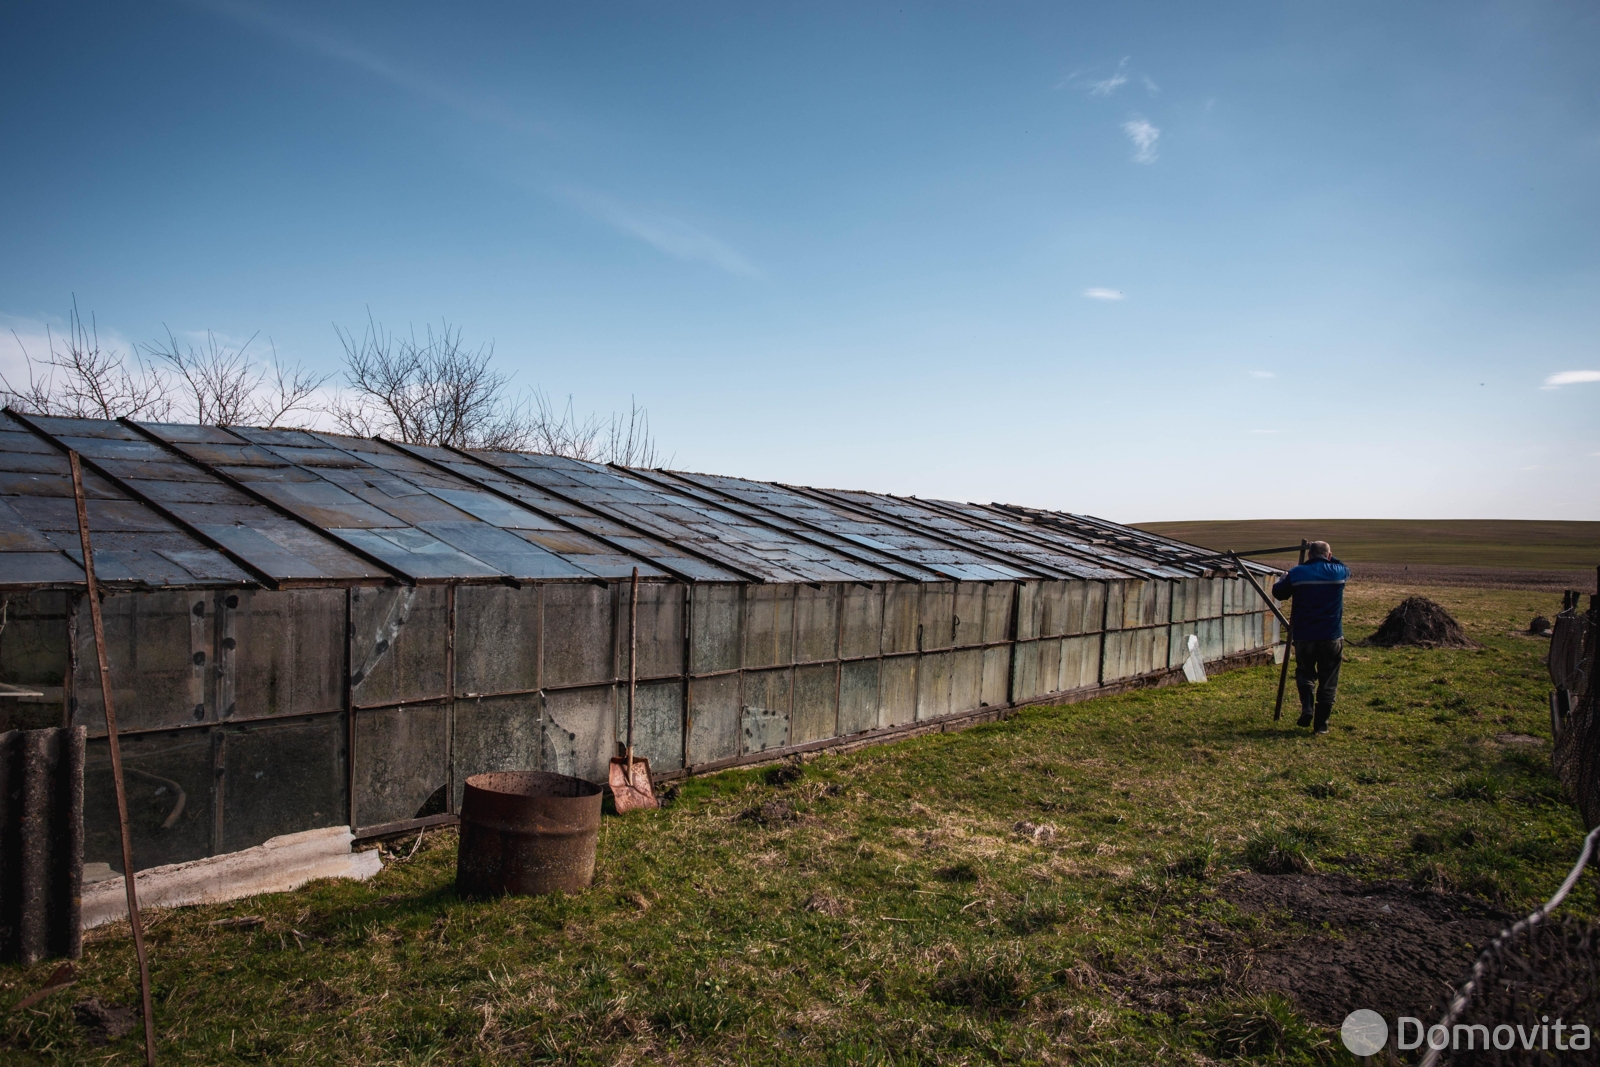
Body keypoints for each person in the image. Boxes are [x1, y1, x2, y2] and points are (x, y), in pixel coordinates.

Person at [1271, 541, 1350, 734]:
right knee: (1328, 680)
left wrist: (1284, 578)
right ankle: (1321, 725)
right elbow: (1345, 567)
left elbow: (1278, 593)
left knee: (1305, 673)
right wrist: (1330, 558)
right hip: (1331, 635)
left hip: (1304, 636)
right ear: (1329, 555)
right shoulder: (1338, 572)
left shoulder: (1297, 573)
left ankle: (1307, 708)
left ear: (1309, 555)